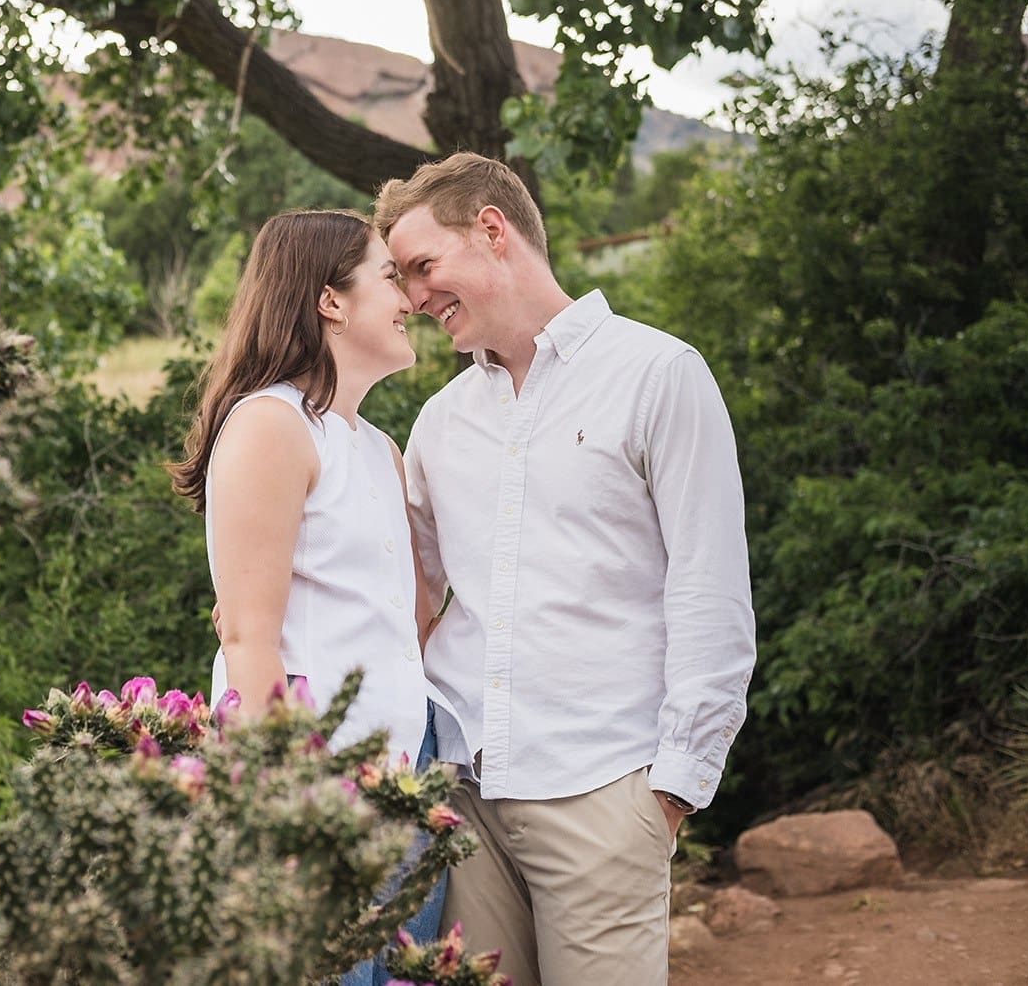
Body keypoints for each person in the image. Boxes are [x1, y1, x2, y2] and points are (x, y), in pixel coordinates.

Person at [373, 152, 757, 986]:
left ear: (491, 230)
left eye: (423, 266)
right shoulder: (440, 421)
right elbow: (401, 593)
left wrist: (672, 792)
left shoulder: (659, 375)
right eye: (402, 279)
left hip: (603, 792)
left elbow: (711, 591)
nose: (414, 296)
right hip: (465, 800)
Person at [170, 209, 461, 986]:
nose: (409, 299)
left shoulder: (379, 447)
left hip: (406, 775)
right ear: (330, 300)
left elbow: (410, 620)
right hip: (317, 786)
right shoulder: (269, 424)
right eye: (388, 276)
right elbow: (249, 637)